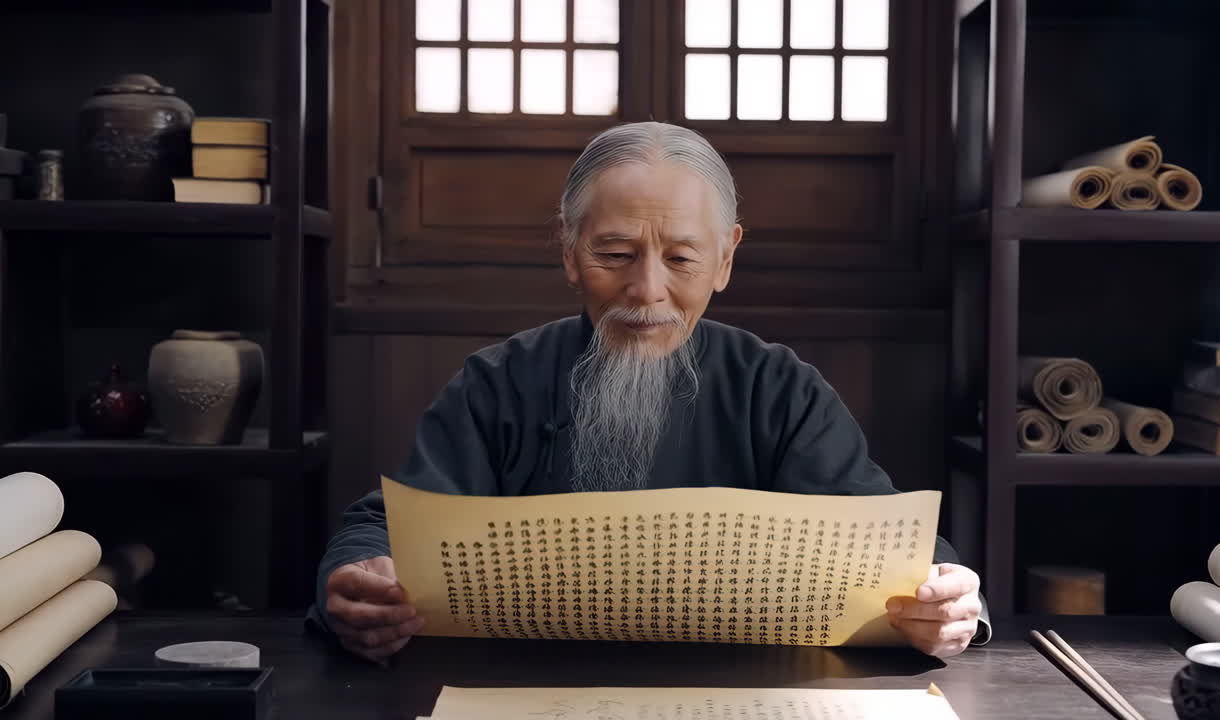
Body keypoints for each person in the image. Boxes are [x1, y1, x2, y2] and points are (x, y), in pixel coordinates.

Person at [310, 121, 991, 662]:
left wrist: (949, 603)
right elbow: (383, 527)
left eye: (683, 257)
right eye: (615, 254)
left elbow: (892, 546)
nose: (647, 291)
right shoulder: (501, 382)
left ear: (725, 258)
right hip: (525, 689)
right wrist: (356, 586)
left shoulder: (776, 388)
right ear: (569, 252)